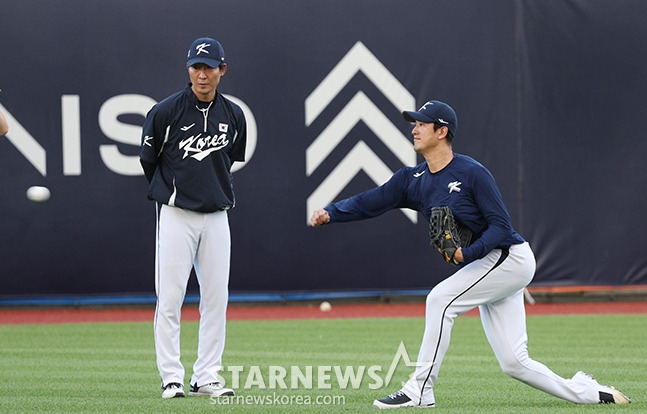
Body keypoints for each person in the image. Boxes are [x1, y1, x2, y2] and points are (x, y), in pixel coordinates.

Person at [309, 100, 630, 409]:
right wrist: (332, 213)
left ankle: (419, 390)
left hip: (509, 258)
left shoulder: (472, 172)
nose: (415, 130)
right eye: (414, 124)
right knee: (514, 363)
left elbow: (501, 227)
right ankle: (589, 391)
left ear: (442, 132)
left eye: (422, 124)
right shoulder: (412, 180)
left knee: (440, 300)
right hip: (488, 266)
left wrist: (468, 253)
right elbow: (371, 201)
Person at [140, 37, 247, 399]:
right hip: (176, 214)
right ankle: (171, 376)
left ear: (222, 70)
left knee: (216, 299)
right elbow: (149, 161)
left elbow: (230, 158)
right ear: (188, 69)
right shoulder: (165, 111)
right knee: (170, 298)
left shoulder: (233, 114)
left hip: (217, 215)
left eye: (209, 67)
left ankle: (207, 376)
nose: (202, 74)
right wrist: (176, 190)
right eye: (196, 67)